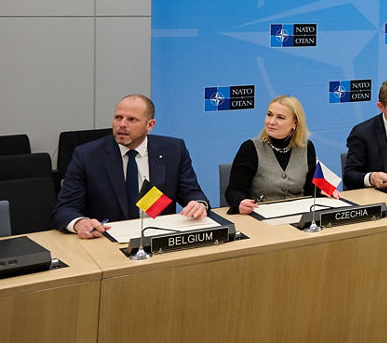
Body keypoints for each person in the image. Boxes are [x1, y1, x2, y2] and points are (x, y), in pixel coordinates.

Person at [52, 94, 209, 238]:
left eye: (132, 120)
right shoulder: (87, 155)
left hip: (158, 236)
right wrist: (80, 223)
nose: (122, 124)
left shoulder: (173, 150)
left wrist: (198, 204)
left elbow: (191, 192)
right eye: (118, 118)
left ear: (150, 125)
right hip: (106, 239)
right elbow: (65, 209)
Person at [224, 95, 318, 214]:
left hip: (298, 215)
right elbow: (234, 191)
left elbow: (312, 188)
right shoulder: (250, 148)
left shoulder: (306, 147)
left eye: (280, 117)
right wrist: (240, 202)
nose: (271, 122)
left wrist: (322, 191)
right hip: (260, 217)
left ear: (295, 122)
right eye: (269, 114)